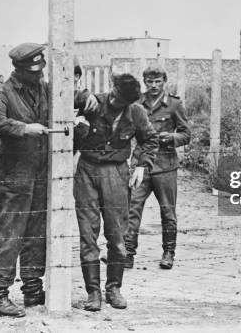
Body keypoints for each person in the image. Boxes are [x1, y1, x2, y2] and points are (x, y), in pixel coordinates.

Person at [0, 43, 96, 317]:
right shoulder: (4, 92)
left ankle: (32, 290)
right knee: (9, 234)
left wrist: (88, 96)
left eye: (40, 71)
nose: (37, 76)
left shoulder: (44, 89)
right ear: (18, 70)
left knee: (35, 234)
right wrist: (23, 128)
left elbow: (69, 96)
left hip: (41, 174)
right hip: (15, 175)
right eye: (31, 72)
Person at [74, 73, 158, 311]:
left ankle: (113, 289)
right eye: (113, 94)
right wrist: (81, 99)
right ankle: (93, 293)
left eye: (119, 100)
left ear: (129, 101)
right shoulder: (93, 103)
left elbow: (150, 140)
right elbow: (60, 97)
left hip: (116, 172)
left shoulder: (136, 113)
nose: (113, 101)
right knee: (87, 233)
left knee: (117, 234)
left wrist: (142, 165)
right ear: (111, 88)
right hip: (87, 171)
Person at [124, 65, 190, 270]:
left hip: (165, 165)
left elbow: (186, 134)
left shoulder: (174, 104)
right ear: (144, 82)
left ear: (164, 81)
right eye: (149, 82)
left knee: (168, 212)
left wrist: (171, 138)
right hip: (140, 166)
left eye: (158, 81)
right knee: (131, 209)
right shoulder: (136, 103)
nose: (153, 86)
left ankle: (169, 252)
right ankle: (127, 252)